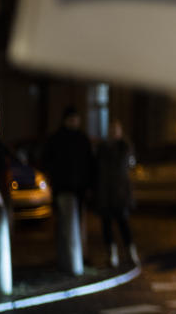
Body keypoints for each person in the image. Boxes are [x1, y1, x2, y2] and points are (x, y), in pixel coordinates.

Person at [42, 106, 94, 274]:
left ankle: (78, 256)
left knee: (78, 223)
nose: (75, 122)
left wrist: (88, 185)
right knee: (65, 223)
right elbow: (48, 160)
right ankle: (67, 257)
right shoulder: (58, 139)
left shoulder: (80, 138)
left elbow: (89, 164)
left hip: (77, 188)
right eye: (72, 119)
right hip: (64, 187)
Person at [94, 120, 138, 267]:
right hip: (106, 194)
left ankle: (130, 252)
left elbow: (126, 170)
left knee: (123, 224)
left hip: (120, 194)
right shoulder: (103, 149)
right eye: (112, 129)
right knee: (107, 226)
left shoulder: (124, 147)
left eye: (116, 129)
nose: (113, 132)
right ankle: (112, 255)